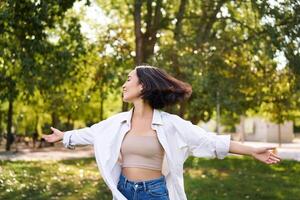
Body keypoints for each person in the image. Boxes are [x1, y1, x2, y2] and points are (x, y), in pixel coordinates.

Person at [43, 65, 280, 200]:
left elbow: (209, 141)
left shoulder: (171, 124)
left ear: (143, 86)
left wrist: (252, 151)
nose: (123, 85)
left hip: (154, 193)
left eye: (128, 80)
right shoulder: (118, 122)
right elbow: (92, 133)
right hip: (124, 190)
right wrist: (64, 136)